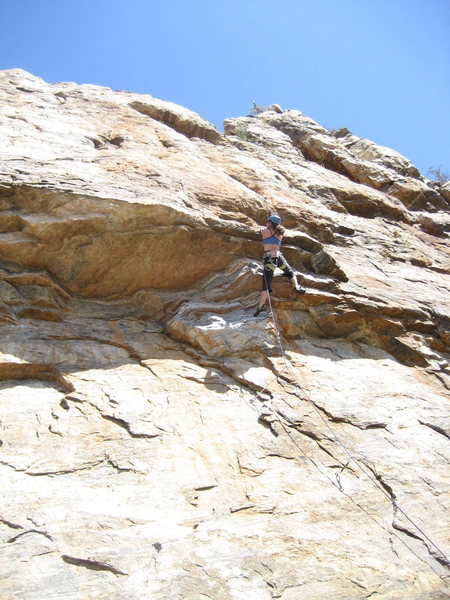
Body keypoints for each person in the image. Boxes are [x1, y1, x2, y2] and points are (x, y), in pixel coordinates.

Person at [254, 214, 305, 317]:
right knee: (289, 272)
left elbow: (259, 230)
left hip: (269, 259)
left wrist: (265, 227)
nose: (267, 223)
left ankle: (260, 307)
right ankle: (297, 286)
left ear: (270, 223)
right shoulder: (280, 234)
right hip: (278, 258)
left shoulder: (265, 231)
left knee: (266, 285)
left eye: (268, 221)